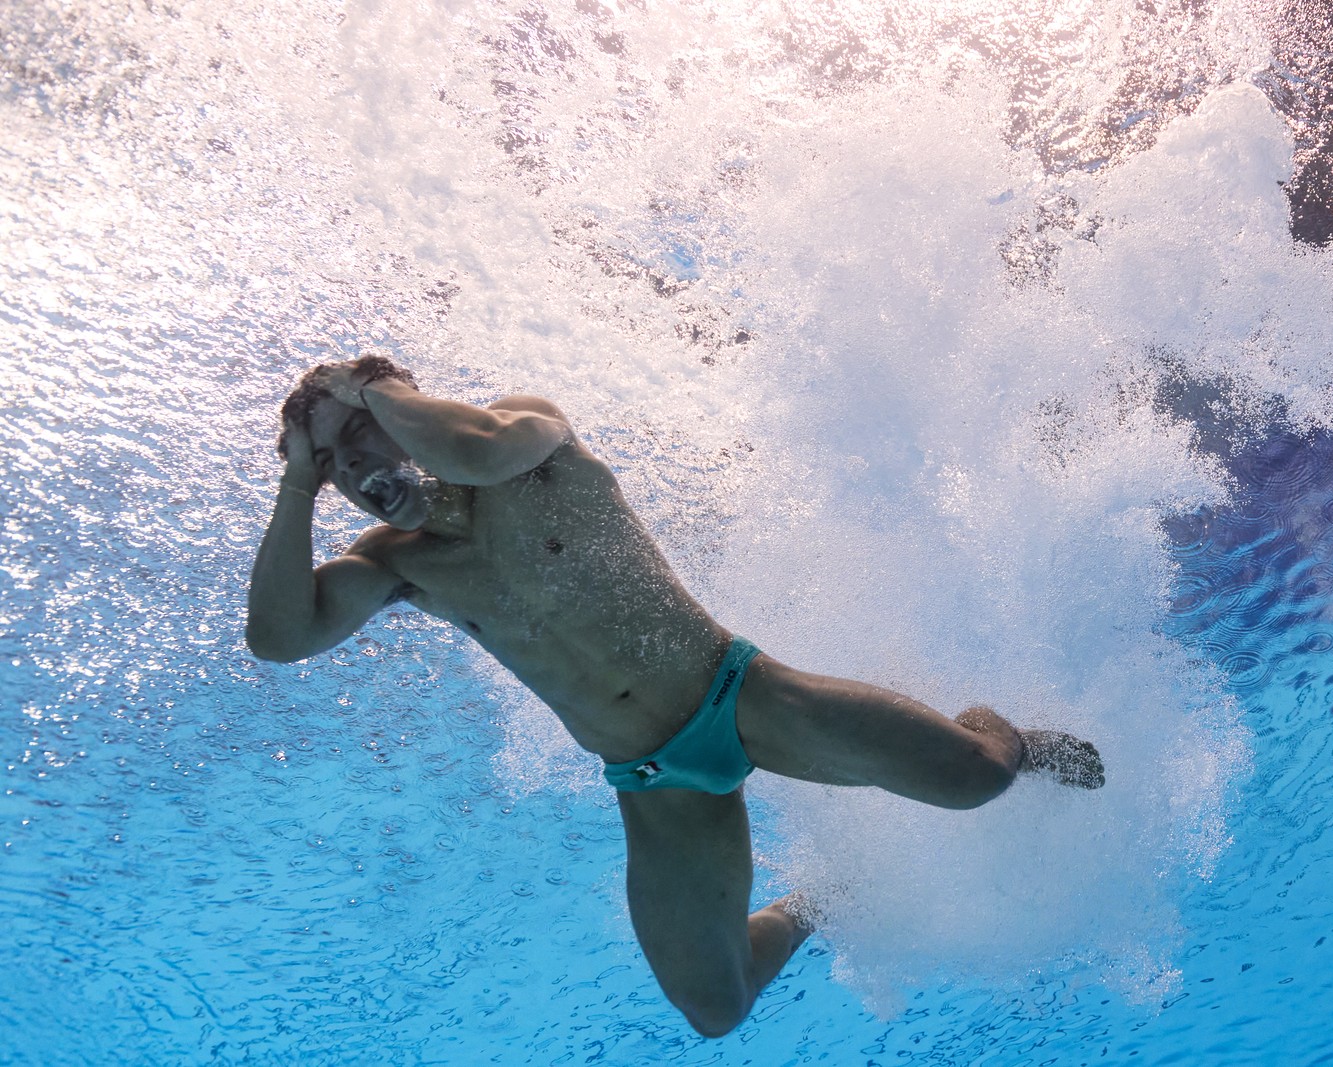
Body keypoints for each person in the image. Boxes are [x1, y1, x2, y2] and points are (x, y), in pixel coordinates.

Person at [246, 354, 1105, 1038]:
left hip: (740, 695)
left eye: (362, 436)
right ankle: (817, 901)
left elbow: (469, 450)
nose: (355, 469)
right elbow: (280, 637)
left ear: (403, 406)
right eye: (336, 465)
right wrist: (295, 481)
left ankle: (1015, 736)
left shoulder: (527, 436)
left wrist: (372, 385)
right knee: (716, 1006)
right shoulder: (396, 562)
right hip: (655, 782)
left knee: (976, 778)